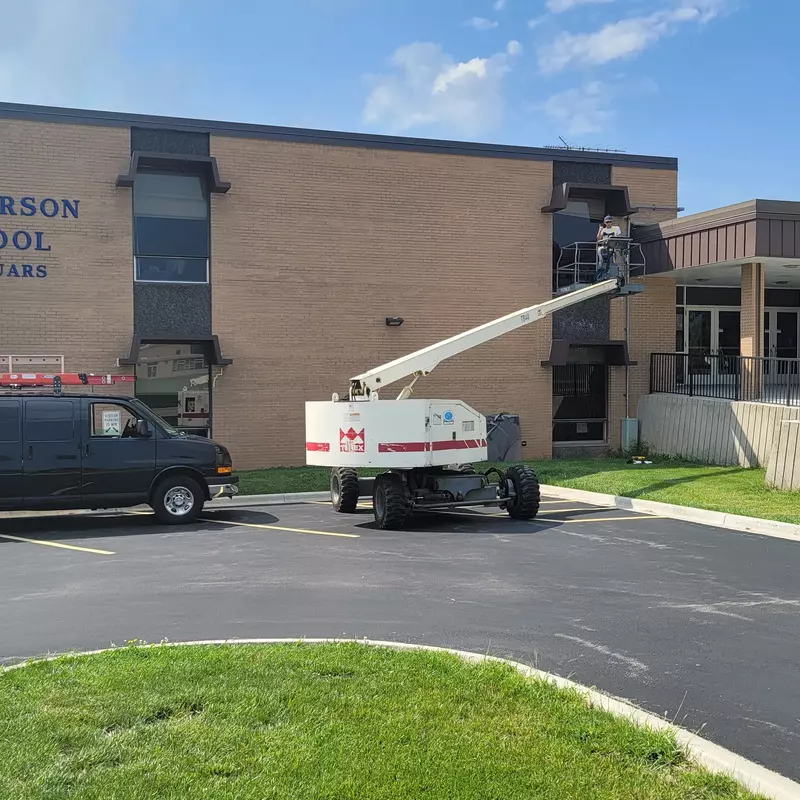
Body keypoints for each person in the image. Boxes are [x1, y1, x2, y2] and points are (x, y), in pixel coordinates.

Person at [596, 215, 622, 281]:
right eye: (607, 222)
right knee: (601, 262)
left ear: (612, 222)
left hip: (612, 249)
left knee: (611, 262)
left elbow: (619, 238)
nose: (609, 223)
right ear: (605, 223)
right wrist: (600, 230)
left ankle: (611, 277)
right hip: (604, 249)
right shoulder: (603, 230)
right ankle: (599, 277)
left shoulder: (616, 228)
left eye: (610, 222)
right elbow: (598, 239)